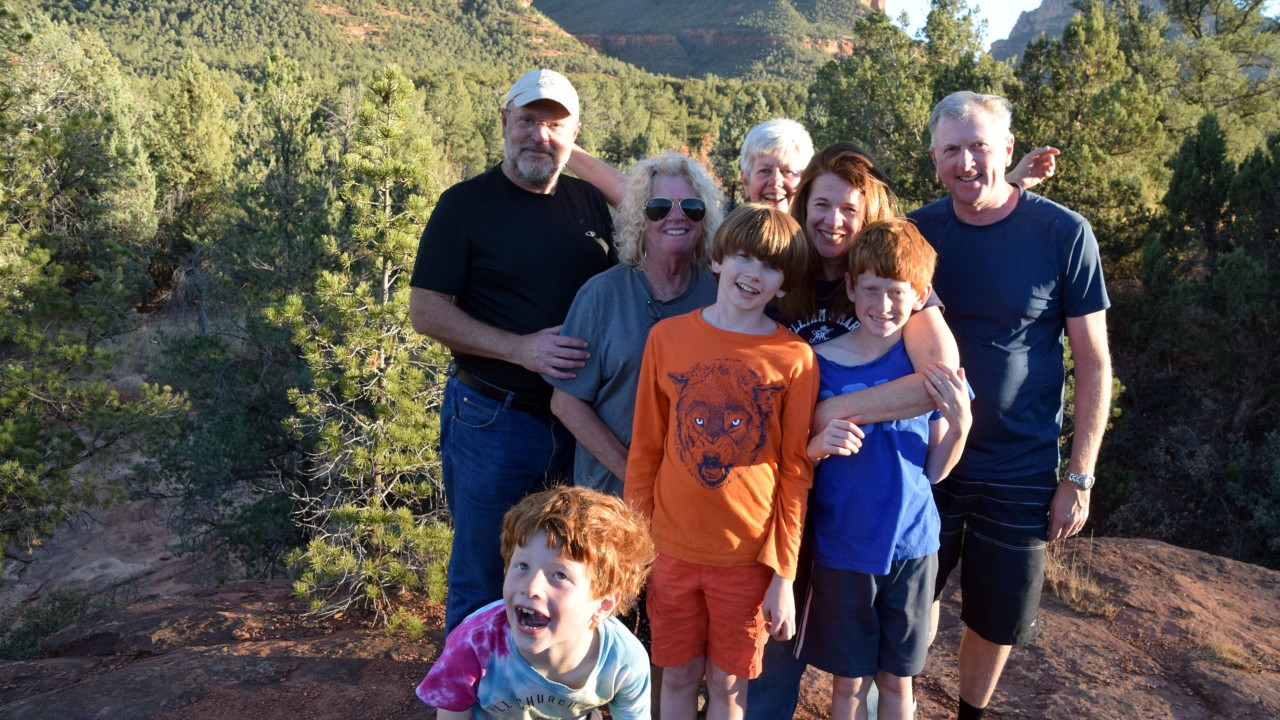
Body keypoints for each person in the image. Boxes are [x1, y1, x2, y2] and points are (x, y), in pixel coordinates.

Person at [909, 91, 1112, 720]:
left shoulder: (1063, 234)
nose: (965, 162)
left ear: (1006, 148)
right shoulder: (916, 232)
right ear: (935, 157)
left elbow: (1096, 362)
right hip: (926, 456)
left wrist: (1078, 476)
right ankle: (901, 702)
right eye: (951, 150)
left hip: (1021, 468)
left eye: (979, 147)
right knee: (914, 595)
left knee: (998, 618)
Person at [408, 68, 615, 634]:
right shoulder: (465, 205)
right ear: (503, 123)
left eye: (555, 125)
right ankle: (468, 703)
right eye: (527, 121)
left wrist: (573, 154)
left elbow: (665, 202)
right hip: (495, 418)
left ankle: (546, 692)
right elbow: (425, 310)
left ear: (576, 135)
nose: (538, 137)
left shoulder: (594, 205)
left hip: (582, 425)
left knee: (572, 570)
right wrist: (521, 349)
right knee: (484, 571)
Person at [625, 204, 818, 720]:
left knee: (729, 688)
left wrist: (783, 574)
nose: (753, 274)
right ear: (717, 259)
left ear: (783, 285)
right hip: (669, 550)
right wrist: (632, 546)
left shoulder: (794, 357)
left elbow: (796, 471)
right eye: (743, 257)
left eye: (770, 266)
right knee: (679, 678)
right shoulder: (666, 339)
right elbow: (646, 447)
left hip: (747, 560)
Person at [794, 218, 972, 720]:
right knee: (847, 687)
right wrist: (817, 444)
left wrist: (959, 428)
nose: (882, 305)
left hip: (913, 546)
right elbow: (794, 455)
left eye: (897, 292)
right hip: (842, 546)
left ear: (920, 296)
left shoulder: (925, 372)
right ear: (850, 286)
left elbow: (936, 471)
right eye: (871, 289)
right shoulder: (816, 361)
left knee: (898, 683)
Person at [548, 152, 725, 497]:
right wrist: (637, 476)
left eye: (691, 207)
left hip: (692, 501)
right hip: (610, 500)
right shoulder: (601, 295)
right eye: (659, 207)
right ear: (639, 218)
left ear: (705, 218)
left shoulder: (719, 297)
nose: (677, 216)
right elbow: (566, 403)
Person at [416, 486, 656, 719]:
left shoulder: (623, 661)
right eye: (522, 566)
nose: (531, 587)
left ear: (602, 605)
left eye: (560, 575)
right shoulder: (473, 645)